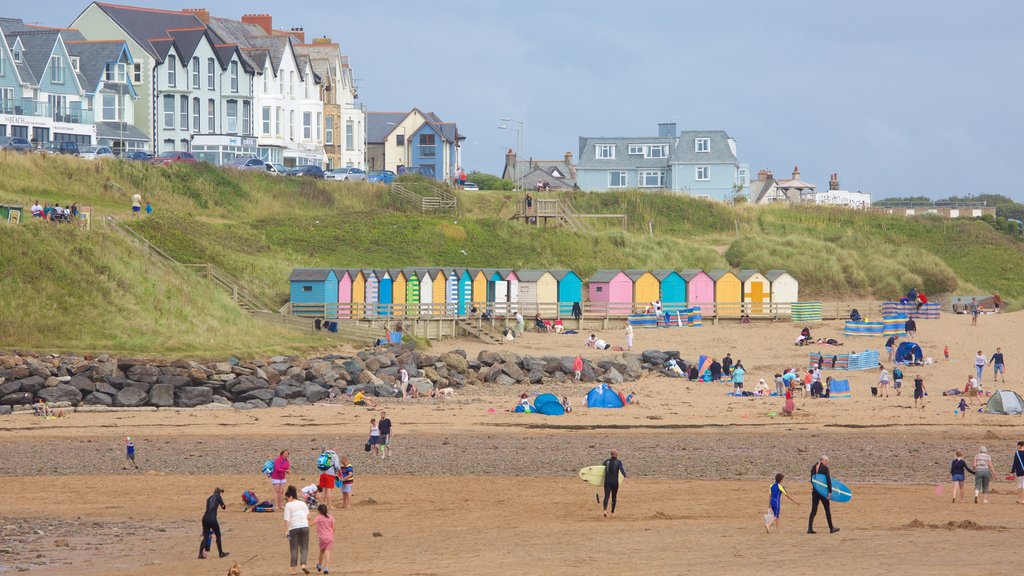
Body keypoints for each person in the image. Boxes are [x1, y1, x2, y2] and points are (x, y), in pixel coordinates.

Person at [807, 455, 839, 534]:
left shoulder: (814, 467)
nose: (827, 463)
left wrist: (815, 487)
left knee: (813, 510)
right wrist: (830, 491)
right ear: (824, 460)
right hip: (823, 492)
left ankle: (809, 529)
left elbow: (812, 479)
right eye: (827, 461)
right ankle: (831, 528)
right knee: (827, 509)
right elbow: (828, 480)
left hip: (815, 491)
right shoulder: (825, 468)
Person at [283, 485, 310, 575]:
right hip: (305, 526)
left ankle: (293, 570)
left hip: (294, 528)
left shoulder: (288, 505)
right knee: (304, 547)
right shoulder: (303, 503)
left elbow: (287, 519)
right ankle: (303, 565)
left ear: (290, 497)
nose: (286, 500)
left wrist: (286, 531)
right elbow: (308, 516)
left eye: (286, 498)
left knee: (294, 549)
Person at [198, 487, 229, 559]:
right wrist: (223, 505)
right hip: (212, 519)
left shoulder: (209, 498)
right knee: (218, 535)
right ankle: (221, 553)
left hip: (205, 518)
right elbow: (223, 507)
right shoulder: (218, 497)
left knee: (205, 537)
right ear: (219, 493)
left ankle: (200, 554)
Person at [601, 449, 627, 518]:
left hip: (607, 481)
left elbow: (600, 470)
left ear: (611, 454)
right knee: (614, 497)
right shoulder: (618, 462)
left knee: (606, 496)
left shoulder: (606, 461)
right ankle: (612, 513)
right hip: (614, 482)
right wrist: (625, 477)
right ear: (616, 454)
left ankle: (605, 510)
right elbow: (621, 469)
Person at [312, 503, 334, 574]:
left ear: (319, 511)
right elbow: (333, 528)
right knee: (328, 552)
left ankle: (319, 565)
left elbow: (311, 524)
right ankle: (326, 568)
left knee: (321, 552)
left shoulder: (318, 517)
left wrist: (307, 518)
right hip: (330, 537)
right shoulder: (331, 517)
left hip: (322, 538)